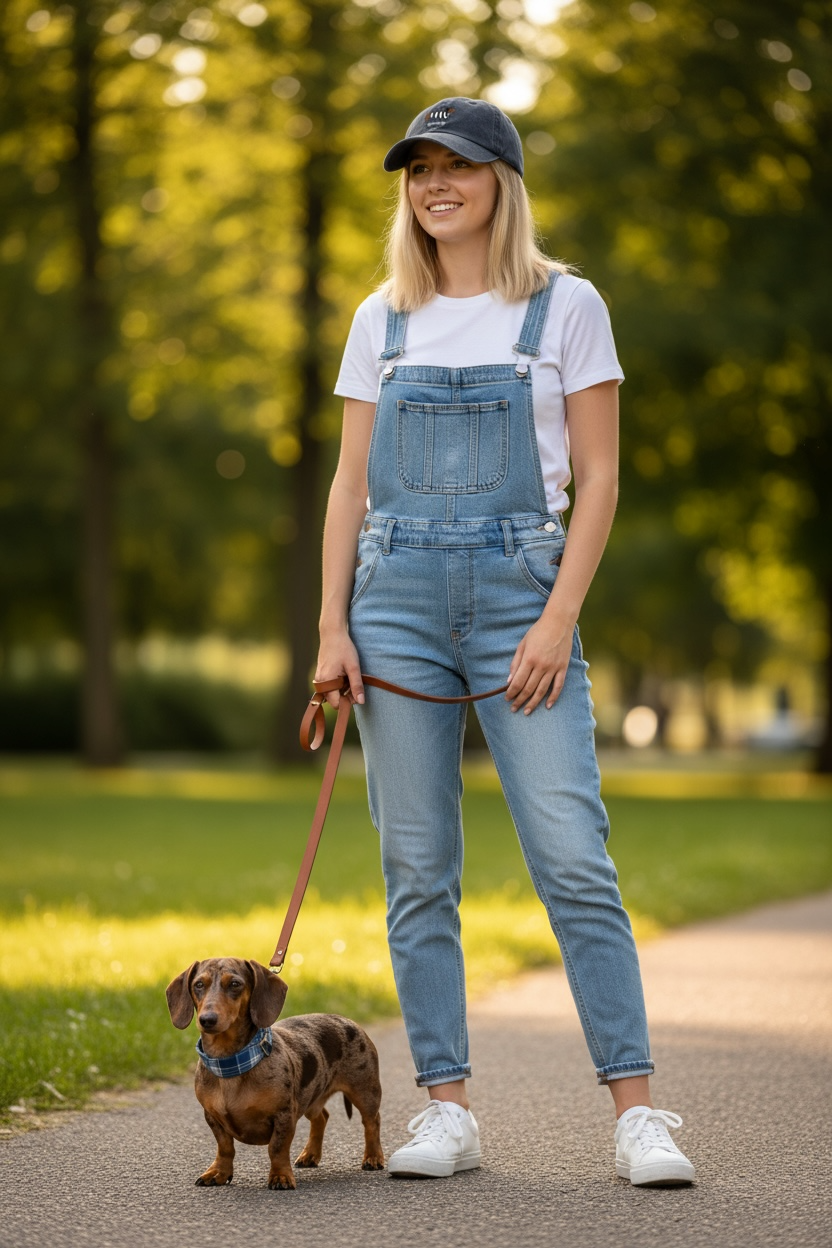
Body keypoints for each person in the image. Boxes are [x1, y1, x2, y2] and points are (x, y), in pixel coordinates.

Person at [316, 96, 695, 1187]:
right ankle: (446, 1108)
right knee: (416, 865)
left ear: (502, 182)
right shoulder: (378, 316)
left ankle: (637, 1112)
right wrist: (332, 627)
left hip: (524, 595)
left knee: (573, 856)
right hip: (393, 603)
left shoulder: (566, 304)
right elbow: (349, 484)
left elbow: (601, 477)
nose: (436, 184)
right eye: (418, 169)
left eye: (459, 167)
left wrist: (557, 617)